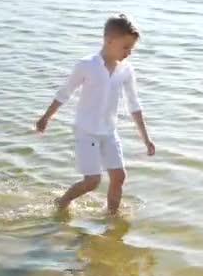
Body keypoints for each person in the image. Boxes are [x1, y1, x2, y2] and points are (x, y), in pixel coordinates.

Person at [35, 13, 155, 215]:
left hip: (109, 132)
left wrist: (146, 139)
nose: (129, 53)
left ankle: (111, 218)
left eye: (131, 48)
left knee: (119, 177)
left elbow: (134, 104)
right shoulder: (87, 65)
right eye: (125, 47)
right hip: (86, 131)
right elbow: (65, 92)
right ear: (109, 40)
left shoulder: (126, 70)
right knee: (92, 181)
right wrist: (46, 117)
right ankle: (61, 203)